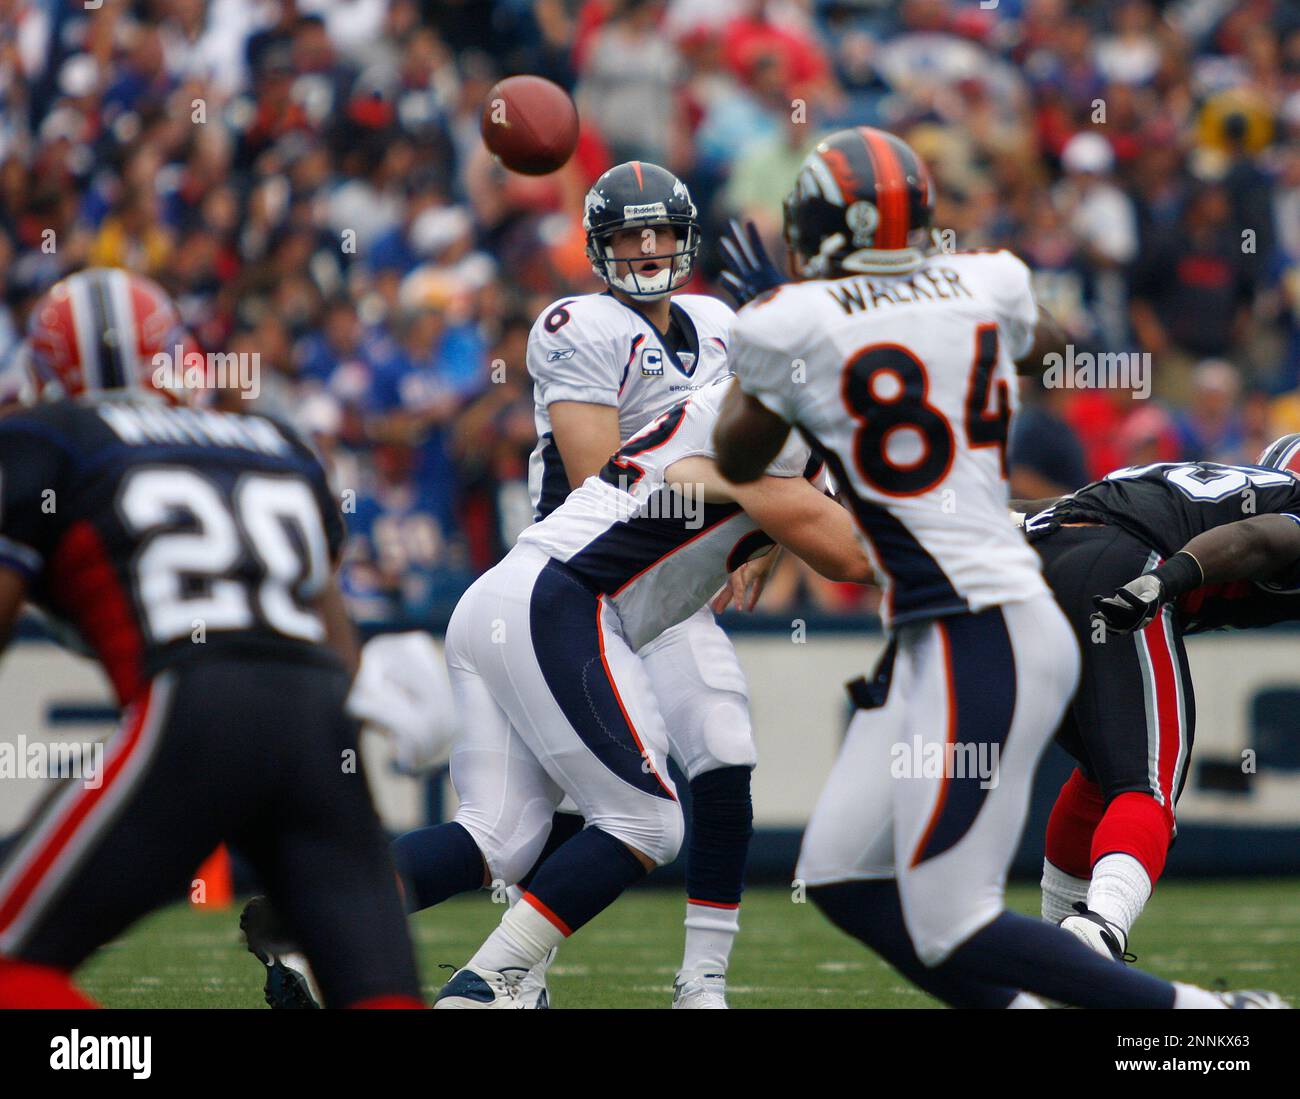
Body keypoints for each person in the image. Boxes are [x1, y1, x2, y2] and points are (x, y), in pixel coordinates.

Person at [711, 126, 1282, 1009]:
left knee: (951, 914)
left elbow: (741, 456)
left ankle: (1208, 1020)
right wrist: (913, 316)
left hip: (986, 610)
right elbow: (1048, 349)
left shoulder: (792, 320)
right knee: (839, 876)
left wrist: (777, 345)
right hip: (967, 612)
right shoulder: (989, 281)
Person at [397, 160, 770, 1008]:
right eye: (629, 234)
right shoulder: (578, 324)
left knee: (719, 747)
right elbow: (611, 480)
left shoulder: (717, 323)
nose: (646, 247)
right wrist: (760, 506)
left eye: (661, 231)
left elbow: (767, 442)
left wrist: (757, 537)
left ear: (687, 239)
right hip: (589, 577)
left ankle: (702, 982)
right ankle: (502, 976)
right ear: (599, 247)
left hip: (657, 589)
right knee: (568, 815)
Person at [0, 268, 422, 1009]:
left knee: (13, 967)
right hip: (321, 719)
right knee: (381, 998)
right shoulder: (272, 441)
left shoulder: (45, 438)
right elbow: (336, 643)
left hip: (196, 706)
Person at [401, 375, 872, 1007]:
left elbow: (840, 516)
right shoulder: (776, 424)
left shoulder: (766, 411)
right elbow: (853, 558)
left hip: (507, 593)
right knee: (646, 823)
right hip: (566, 599)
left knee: (497, 835)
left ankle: (303, 926)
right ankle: (491, 980)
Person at [1021, 434, 1300, 964]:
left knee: (1103, 774)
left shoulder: (1203, 485)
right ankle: (1100, 927)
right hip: (1123, 567)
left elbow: (1057, 511)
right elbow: (1256, 538)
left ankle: (1056, 949)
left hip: (1033, 567)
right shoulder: (1280, 506)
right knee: (1146, 783)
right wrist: (1162, 581)